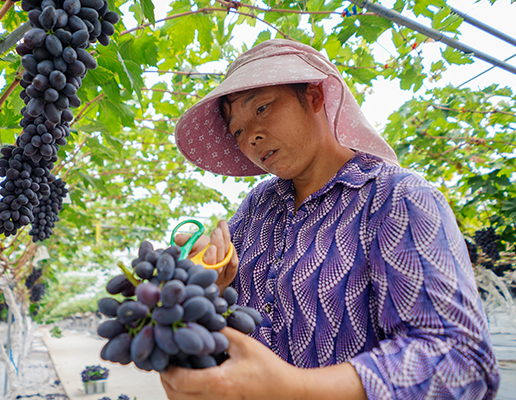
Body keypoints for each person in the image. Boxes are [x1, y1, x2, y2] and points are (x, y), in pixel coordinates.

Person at [161, 39, 500, 399]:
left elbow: (462, 362)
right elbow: (229, 303)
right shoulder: (258, 206)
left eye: (261, 108)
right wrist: (213, 282)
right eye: (238, 132)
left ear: (314, 97)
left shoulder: (396, 198)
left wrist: (296, 389)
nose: (252, 137)